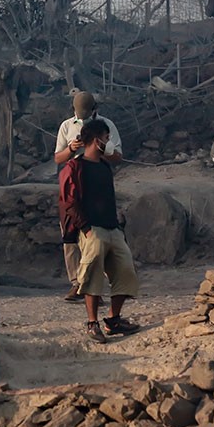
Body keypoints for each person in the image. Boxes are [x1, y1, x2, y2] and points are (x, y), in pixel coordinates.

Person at [58, 119, 141, 343]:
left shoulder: (104, 166)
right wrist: (85, 229)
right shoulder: (75, 167)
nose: (108, 142)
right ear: (97, 140)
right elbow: (69, 201)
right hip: (92, 230)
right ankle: (92, 322)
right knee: (92, 274)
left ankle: (114, 319)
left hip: (112, 228)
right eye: (106, 138)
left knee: (125, 271)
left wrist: (117, 226)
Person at [54, 91, 123, 303]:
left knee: (95, 237)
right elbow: (58, 158)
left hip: (95, 183)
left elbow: (118, 156)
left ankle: (94, 286)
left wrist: (98, 149)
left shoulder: (105, 126)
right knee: (71, 235)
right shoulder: (67, 126)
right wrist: (71, 149)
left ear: (95, 109)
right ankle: (77, 283)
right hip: (74, 180)